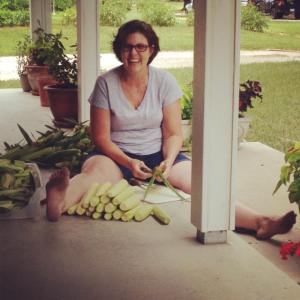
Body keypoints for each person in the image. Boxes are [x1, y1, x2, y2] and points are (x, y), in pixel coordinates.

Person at [46, 19, 296, 240]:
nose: (133, 53)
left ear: (151, 50)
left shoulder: (164, 81)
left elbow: (174, 134)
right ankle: (58, 202)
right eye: (127, 46)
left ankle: (260, 222)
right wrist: (129, 162)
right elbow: (100, 137)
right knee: (94, 178)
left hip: (158, 154)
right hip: (115, 154)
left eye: (140, 46)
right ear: (119, 50)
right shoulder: (105, 84)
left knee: (201, 183)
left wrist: (168, 160)